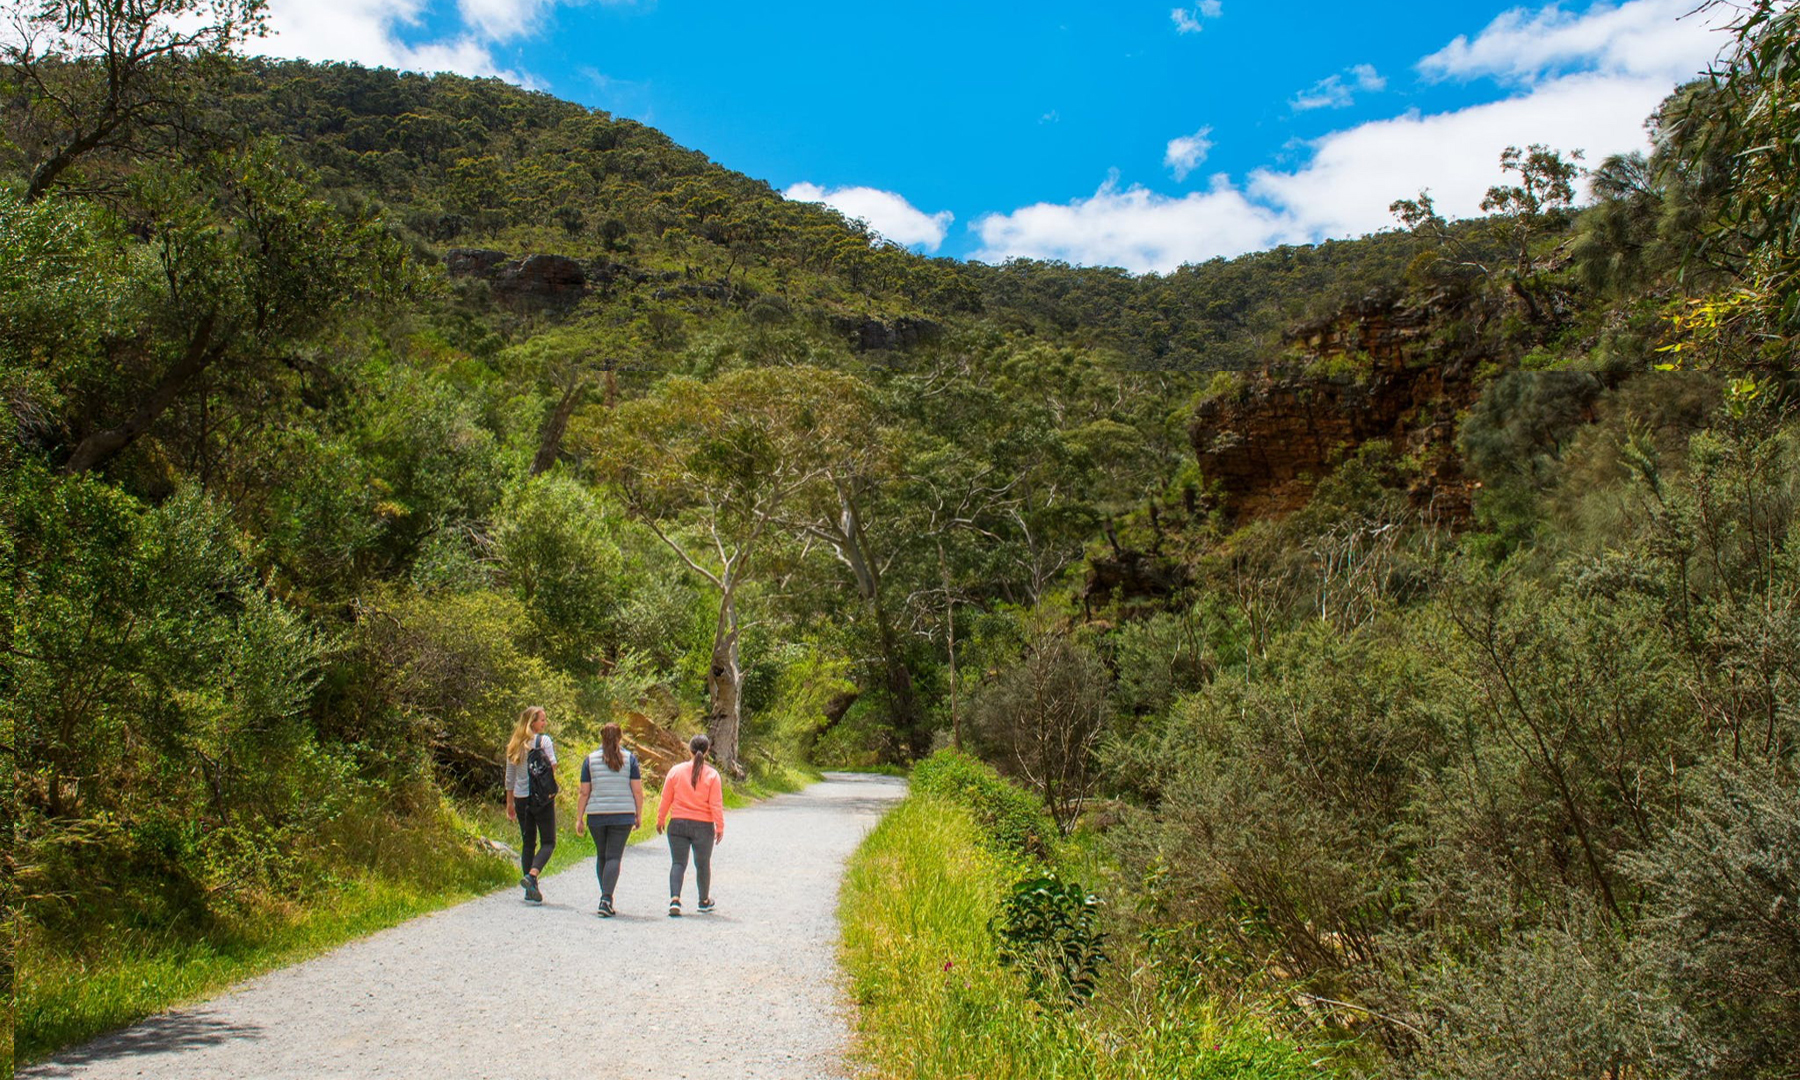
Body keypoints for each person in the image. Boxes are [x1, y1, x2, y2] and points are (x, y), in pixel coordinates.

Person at [575, 722, 643, 917]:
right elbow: (637, 790)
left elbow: (584, 792)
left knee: (602, 855)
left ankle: (605, 897)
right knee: (614, 856)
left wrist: (579, 818)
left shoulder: (590, 760)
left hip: (596, 814)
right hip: (622, 815)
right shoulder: (630, 760)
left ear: (601, 737)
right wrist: (638, 813)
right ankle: (606, 898)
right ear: (620, 738)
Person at [656, 733, 725, 917]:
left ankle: (675, 899)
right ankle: (703, 901)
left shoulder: (676, 771)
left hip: (678, 823)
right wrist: (720, 826)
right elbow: (716, 804)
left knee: (678, 863)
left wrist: (660, 818)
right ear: (707, 751)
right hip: (703, 826)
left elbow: (666, 798)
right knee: (702, 864)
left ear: (689, 749)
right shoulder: (712, 775)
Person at [504, 705, 557, 903]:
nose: (544, 723)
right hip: (541, 798)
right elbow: (552, 766)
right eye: (541, 719)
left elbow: (509, 777)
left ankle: (530, 890)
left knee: (528, 843)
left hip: (520, 797)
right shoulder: (543, 741)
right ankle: (532, 876)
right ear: (532, 722)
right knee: (549, 841)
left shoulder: (515, 743)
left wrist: (509, 802)